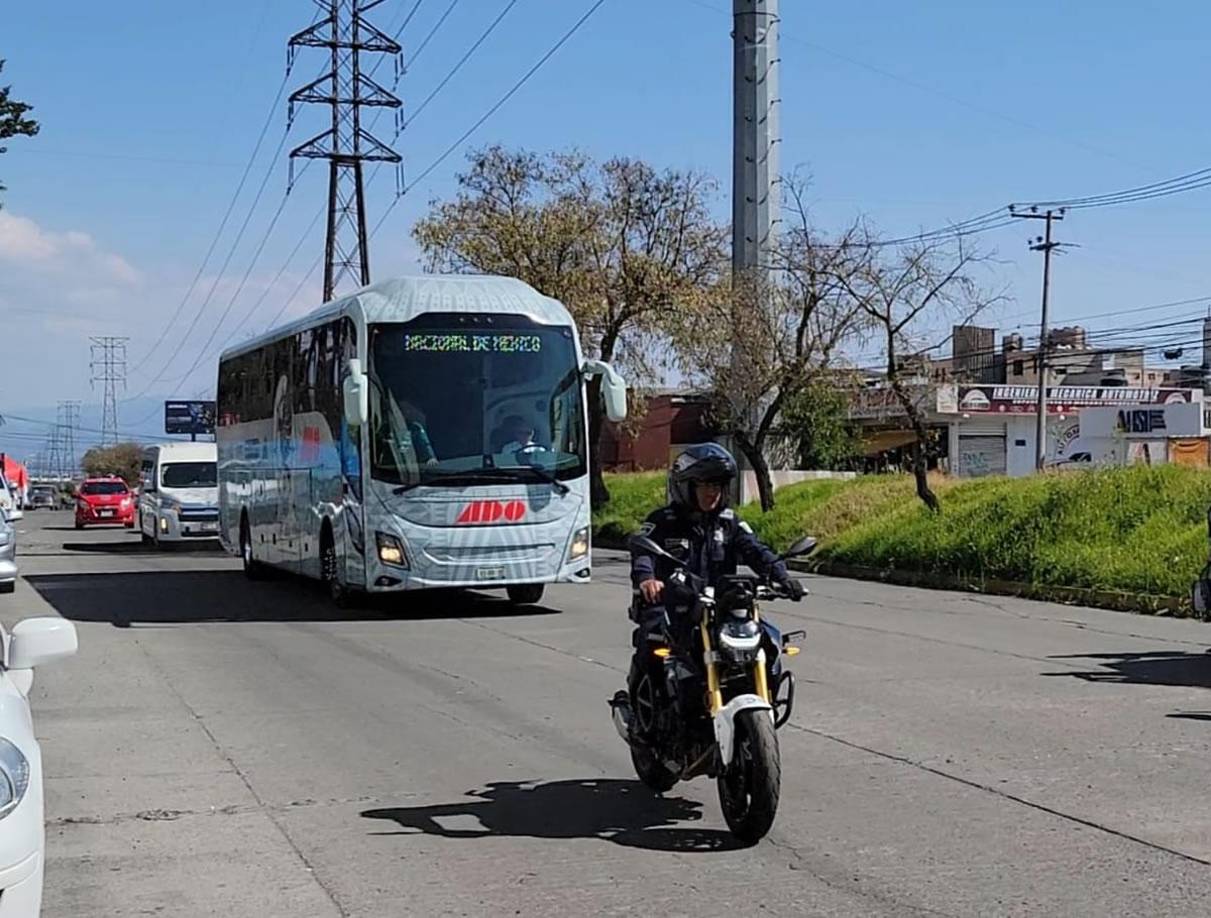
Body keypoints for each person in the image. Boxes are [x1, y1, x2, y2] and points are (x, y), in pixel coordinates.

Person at [625, 443, 805, 734]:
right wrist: (648, 579)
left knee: (769, 641)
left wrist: (784, 578)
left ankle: (758, 702)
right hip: (674, 605)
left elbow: (757, 551)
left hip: (721, 606)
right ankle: (646, 717)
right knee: (654, 645)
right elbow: (643, 552)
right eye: (705, 484)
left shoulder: (730, 522)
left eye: (718, 485)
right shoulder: (662, 521)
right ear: (686, 486)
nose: (713, 492)